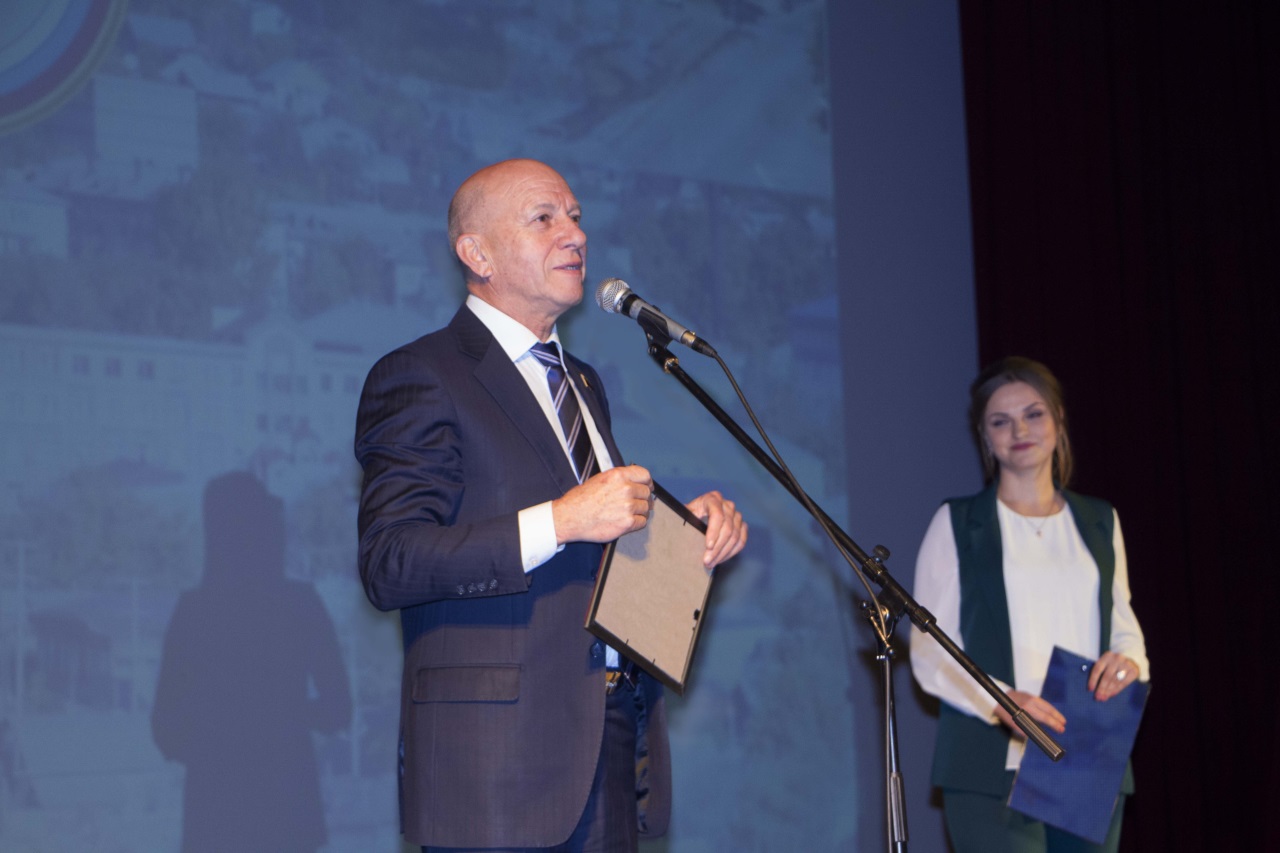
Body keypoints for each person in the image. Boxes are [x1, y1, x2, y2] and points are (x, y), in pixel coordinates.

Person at [354, 158, 747, 852]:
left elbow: (595, 550)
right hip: (495, 766)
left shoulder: (582, 383)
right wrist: (563, 519)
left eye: (576, 217)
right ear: (477, 254)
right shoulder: (421, 375)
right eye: (544, 218)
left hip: (607, 742)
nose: (575, 235)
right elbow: (392, 561)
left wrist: (687, 538)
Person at [909, 356, 1149, 853]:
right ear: (985, 436)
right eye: (1001, 421)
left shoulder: (1100, 520)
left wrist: (1129, 663)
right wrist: (1000, 700)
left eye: (1033, 414)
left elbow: (1124, 625)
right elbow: (930, 649)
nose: (1019, 430)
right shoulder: (958, 523)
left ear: (1058, 420)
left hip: (1086, 749)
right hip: (991, 759)